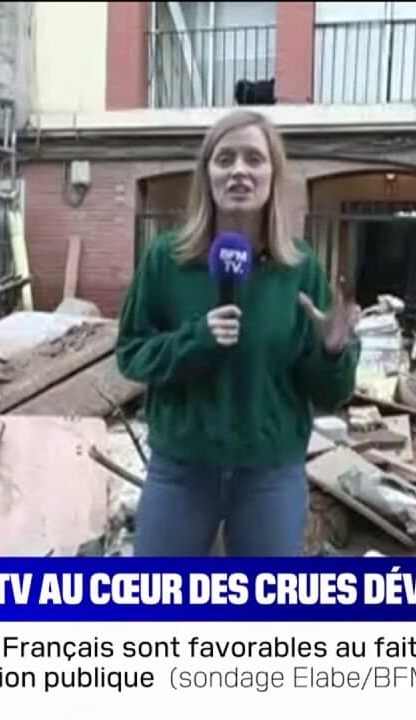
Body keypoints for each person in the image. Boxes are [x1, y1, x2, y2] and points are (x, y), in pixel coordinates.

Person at [115, 109, 360, 557]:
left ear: (273, 174)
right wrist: (196, 339)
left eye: (254, 159)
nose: (239, 171)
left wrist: (332, 351)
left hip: (270, 476)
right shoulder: (165, 260)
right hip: (182, 471)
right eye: (224, 159)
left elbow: (330, 394)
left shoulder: (300, 269)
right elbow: (131, 353)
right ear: (206, 175)